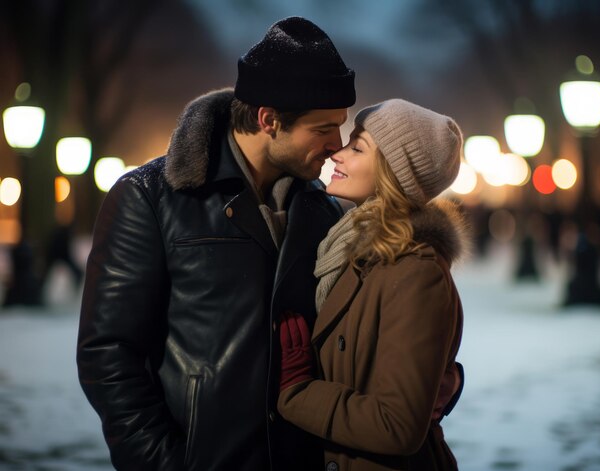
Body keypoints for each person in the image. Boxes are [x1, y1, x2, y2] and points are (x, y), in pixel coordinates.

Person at [77, 17, 355, 471]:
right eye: (322, 128)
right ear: (268, 119)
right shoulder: (151, 197)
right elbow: (108, 353)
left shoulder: (322, 210)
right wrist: (164, 462)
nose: (336, 144)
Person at [278, 99, 469, 470]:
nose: (338, 154)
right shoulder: (350, 244)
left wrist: (298, 391)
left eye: (357, 147)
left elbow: (397, 425)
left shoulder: (415, 270)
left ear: (392, 173)